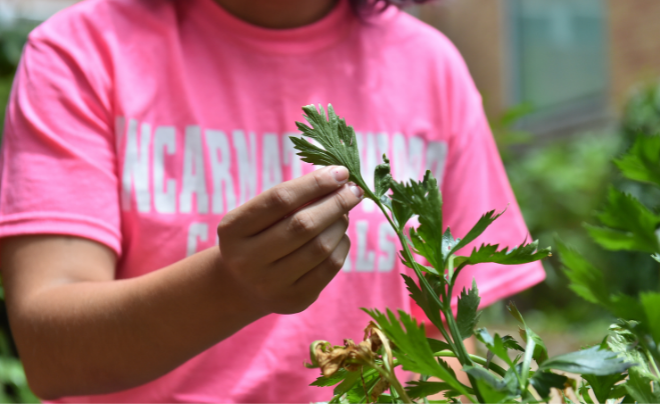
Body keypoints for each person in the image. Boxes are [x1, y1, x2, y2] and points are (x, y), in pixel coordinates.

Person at [0, 0, 546, 402]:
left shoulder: (430, 65)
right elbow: (52, 354)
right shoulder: (82, 52)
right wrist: (228, 287)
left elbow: (451, 338)